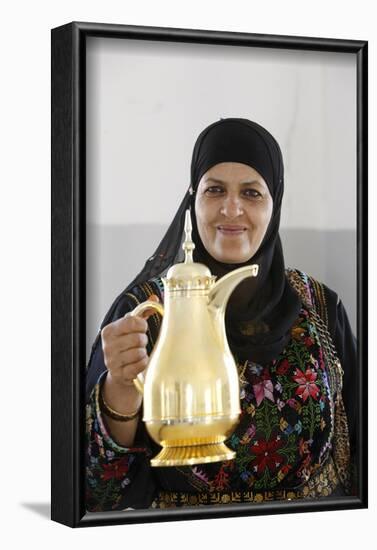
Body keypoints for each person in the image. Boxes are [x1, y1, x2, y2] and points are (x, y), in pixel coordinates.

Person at [85, 118, 357, 512]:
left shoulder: (320, 307)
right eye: (215, 190)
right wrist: (121, 388)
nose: (232, 209)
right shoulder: (143, 316)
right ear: (192, 201)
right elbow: (99, 490)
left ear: (274, 203)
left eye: (251, 192)